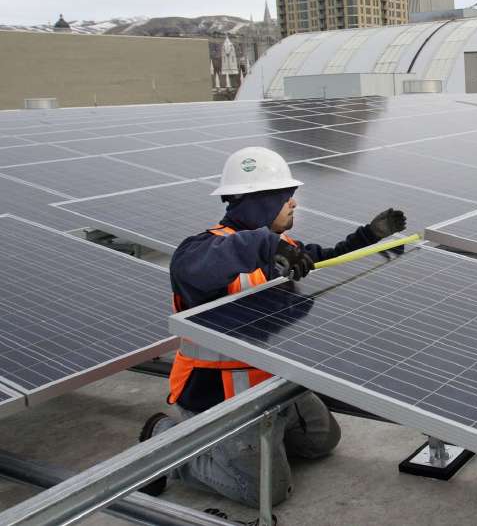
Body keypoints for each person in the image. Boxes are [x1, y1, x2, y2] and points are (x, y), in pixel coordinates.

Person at [139, 146, 407, 507]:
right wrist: (267, 245)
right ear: (259, 204)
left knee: (321, 442)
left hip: (271, 383)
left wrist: (368, 236)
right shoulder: (197, 254)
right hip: (220, 399)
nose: (294, 204)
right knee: (266, 492)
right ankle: (166, 440)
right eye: (285, 197)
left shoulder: (285, 248)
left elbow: (324, 260)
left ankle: (264, 442)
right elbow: (220, 258)